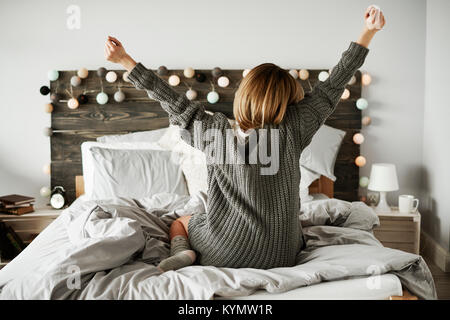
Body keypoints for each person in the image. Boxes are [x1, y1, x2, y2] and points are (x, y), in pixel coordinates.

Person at [105, 7, 385, 272]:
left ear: (244, 95)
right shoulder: (294, 128)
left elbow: (171, 99)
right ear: (289, 104)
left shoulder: (212, 131)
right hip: (282, 254)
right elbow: (332, 86)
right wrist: (367, 32)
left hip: (222, 250)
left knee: (181, 221)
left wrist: (124, 60)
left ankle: (183, 251)